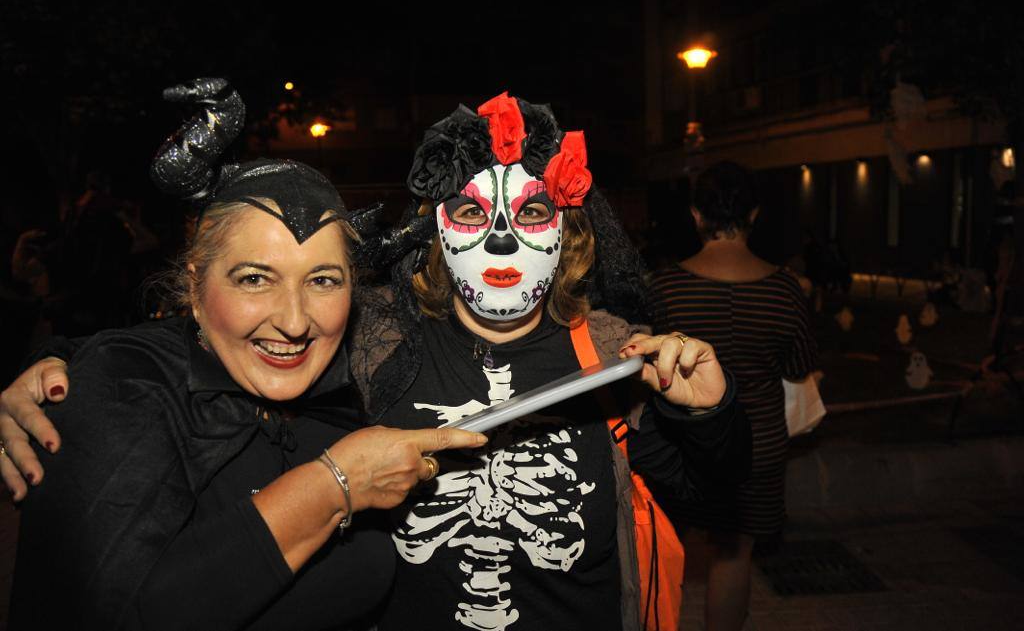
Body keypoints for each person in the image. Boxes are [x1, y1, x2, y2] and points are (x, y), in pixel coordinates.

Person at [2, 91, 752, 631]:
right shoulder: (376, 343)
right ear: (435, 230)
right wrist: (67, 363)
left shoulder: (612, 355)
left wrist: (711, 412)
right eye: (469, 212)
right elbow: (237, 345)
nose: (499, 242)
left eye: (529, 213)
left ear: (571, 233)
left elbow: (715, 501)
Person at [4, 78, 487, 631]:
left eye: (323, 280)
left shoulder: (351, 388)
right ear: (194, 287)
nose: (294, 320)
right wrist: (334, 485)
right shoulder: (126, 389)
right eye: (255, 278)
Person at [648, 161, 818, 631]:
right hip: (756, 445)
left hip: (680, 443)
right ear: (755, 214)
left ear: (697, 216)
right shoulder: (786, 290)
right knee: (733, 551)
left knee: (664, 546)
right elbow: (800, 367)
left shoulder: (663, 287)